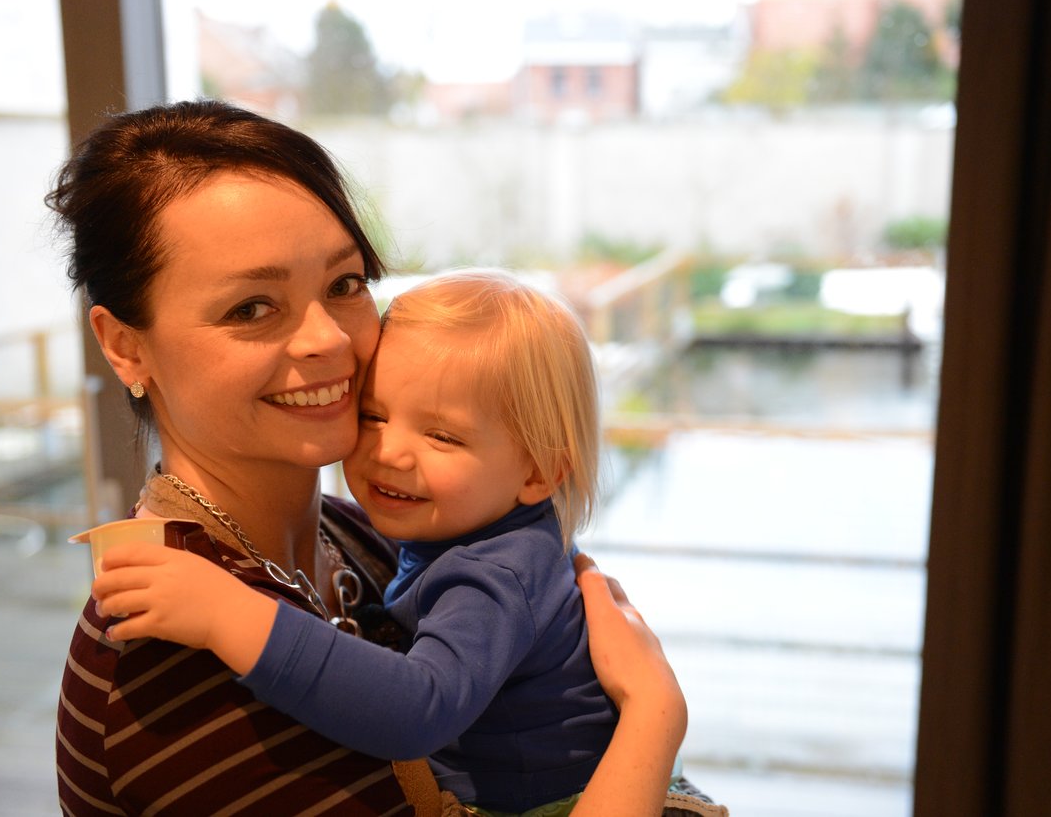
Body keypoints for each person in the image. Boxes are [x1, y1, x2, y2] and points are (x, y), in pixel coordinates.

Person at [50, 99, 690, 816]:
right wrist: (653, 717)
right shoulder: (168, 651)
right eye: (251, 307)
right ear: (125, 346)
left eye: (344, 285)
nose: (325, 338)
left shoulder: (364, 534)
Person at [91, 269, 725, 816]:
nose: (390, 452)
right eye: (373, 415)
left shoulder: (493, 573)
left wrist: (227, 612)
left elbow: (416, 710)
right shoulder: (459, 527)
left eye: (443, 437)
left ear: (539, 472)